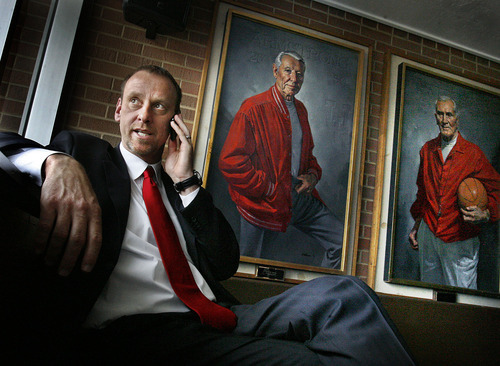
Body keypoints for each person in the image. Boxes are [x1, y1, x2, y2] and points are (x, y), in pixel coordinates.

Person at [0, 65, 414, 365]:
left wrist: (187, 184)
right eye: (135, 102)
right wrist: (55, 162)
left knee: (347, 296)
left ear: (174, 123)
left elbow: (223, 261)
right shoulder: (83, 157)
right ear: (118, 111)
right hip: (139, 331)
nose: (144, 114)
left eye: (159, 107)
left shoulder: (181, 189)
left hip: (219, 315)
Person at [219, 51, 343, 269]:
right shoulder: (253, 108)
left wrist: (312, 176)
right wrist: (268, 188)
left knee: (342, 242)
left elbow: (308, 155)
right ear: (275, 71)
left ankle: (321, 296)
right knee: (249, 270)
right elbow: (231, 162)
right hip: (260, 202)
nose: (294, 79)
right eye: (288, 71)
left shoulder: (301, 110)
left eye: (300, 74)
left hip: (297, 197)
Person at [409, 96, 500, 289]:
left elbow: (497, 190)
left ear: (457, 118)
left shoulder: (473, 154)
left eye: (449, 114)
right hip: (429, 234)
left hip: (460, 239)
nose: (444, 120)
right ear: (435, 117)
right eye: (440, 114)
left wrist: (486, 213)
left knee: (463, 301)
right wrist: (417, 224)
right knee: (430, 297)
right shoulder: (427, 150)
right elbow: (423, 194)